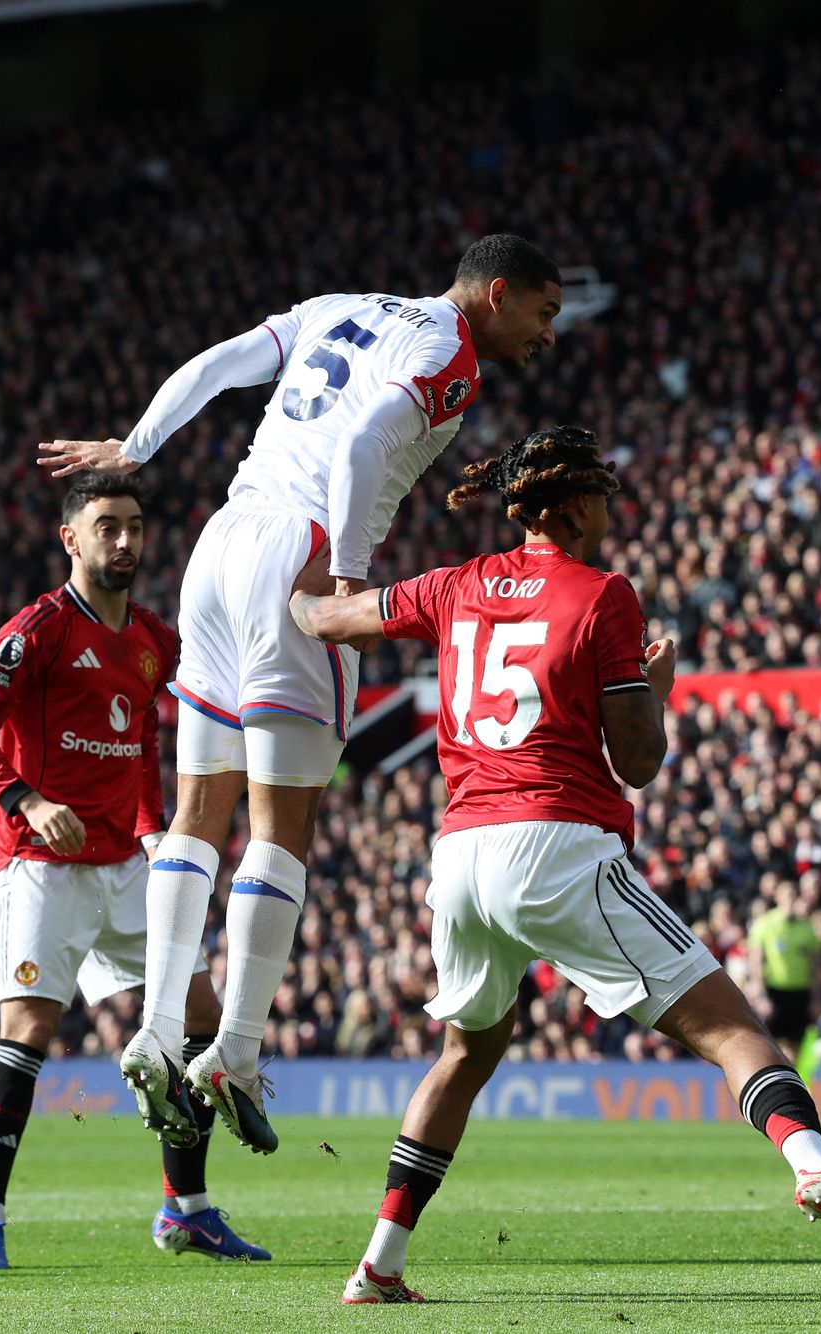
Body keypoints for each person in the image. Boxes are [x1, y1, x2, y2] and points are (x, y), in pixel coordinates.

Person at [287, 426, 821, 1304]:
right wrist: (657, 693)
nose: (611, 504)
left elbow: (329, 617)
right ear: (571, 506)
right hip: (554, 841)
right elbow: (635, 761)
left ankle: (378, 1264)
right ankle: (816, 1166)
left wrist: (282, 562)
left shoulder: (455, 584)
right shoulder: (603, 596)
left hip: (459, 856)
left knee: (463, 1056)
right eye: (600, 490)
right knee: (731, 1028)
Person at [36, 235, 563, 1155]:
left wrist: (135, 447)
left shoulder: (335, 304)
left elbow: (221, 364)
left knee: (199, 815)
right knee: (281, 829)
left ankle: (161, 1030)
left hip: (221, 543)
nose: (547, 334)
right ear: (498, 293)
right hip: (302, 557)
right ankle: (234, 1050)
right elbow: (363, 441)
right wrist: (350, 581)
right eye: (544, 314)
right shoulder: (450, 355)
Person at [0, 475, 267, 1271]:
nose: (123, 542)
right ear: (72, 540)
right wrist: (26, 797)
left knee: (201, 1013)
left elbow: (152, 745)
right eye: (106, 528)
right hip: (40, 866)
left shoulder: (155, 639)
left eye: (133, 527)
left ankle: (185, 1209)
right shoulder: (39, 631)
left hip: (128, 863)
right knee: (28, 1033)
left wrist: (158, 831)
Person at [748, 879, 821, 1065]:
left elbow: (815, 966)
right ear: (778, 897)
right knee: (774, 1045)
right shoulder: (765, 925)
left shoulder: (806, 927)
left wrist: (815, 999)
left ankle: (794, 1084)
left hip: (800, 993)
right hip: (775, 992)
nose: (791, 900)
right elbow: (756, 963)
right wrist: (762, 995)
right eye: (787, 895)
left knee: (798, 1046)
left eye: (794, 895)